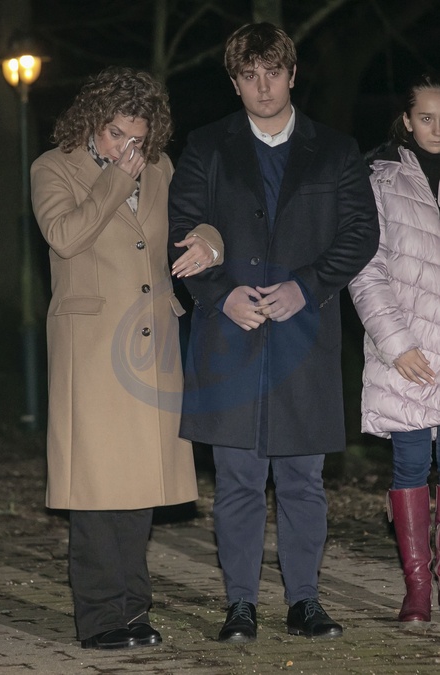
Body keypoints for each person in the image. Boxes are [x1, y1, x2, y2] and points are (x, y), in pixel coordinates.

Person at [168, 22, 379, 642]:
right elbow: (181, 230)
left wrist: (306, 287)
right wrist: (220, 294)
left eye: (274, 73)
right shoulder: (206, 147)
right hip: (228, 339)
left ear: (292, 75)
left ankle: (304, 602)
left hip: (303, 338)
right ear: (234, 83)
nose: (263, 86)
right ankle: (240, 605)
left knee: (302, 480)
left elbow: (360, 234)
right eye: (249, 75)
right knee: (236, 479)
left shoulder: (336, 149)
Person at [30, 66, 223, 650]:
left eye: (138, 138)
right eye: (117, 134)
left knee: (138, 486)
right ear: (93, 119)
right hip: (90, 347)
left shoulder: (160, 168)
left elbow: (191, 219)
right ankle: (100, 620)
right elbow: (65, 236)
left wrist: (211, 241)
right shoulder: (53, 167)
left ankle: (133, 611)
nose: (128, 148)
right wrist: (116, 179)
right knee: (95, 488)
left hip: (149, 342)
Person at [349, 72, 440, 626]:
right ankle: (418, 588)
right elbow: (367, 268)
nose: (437, 128)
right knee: (410, 464)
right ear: (407, 121)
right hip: (407, 354)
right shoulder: (379, 178)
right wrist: (396, 344)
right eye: (426, 117)